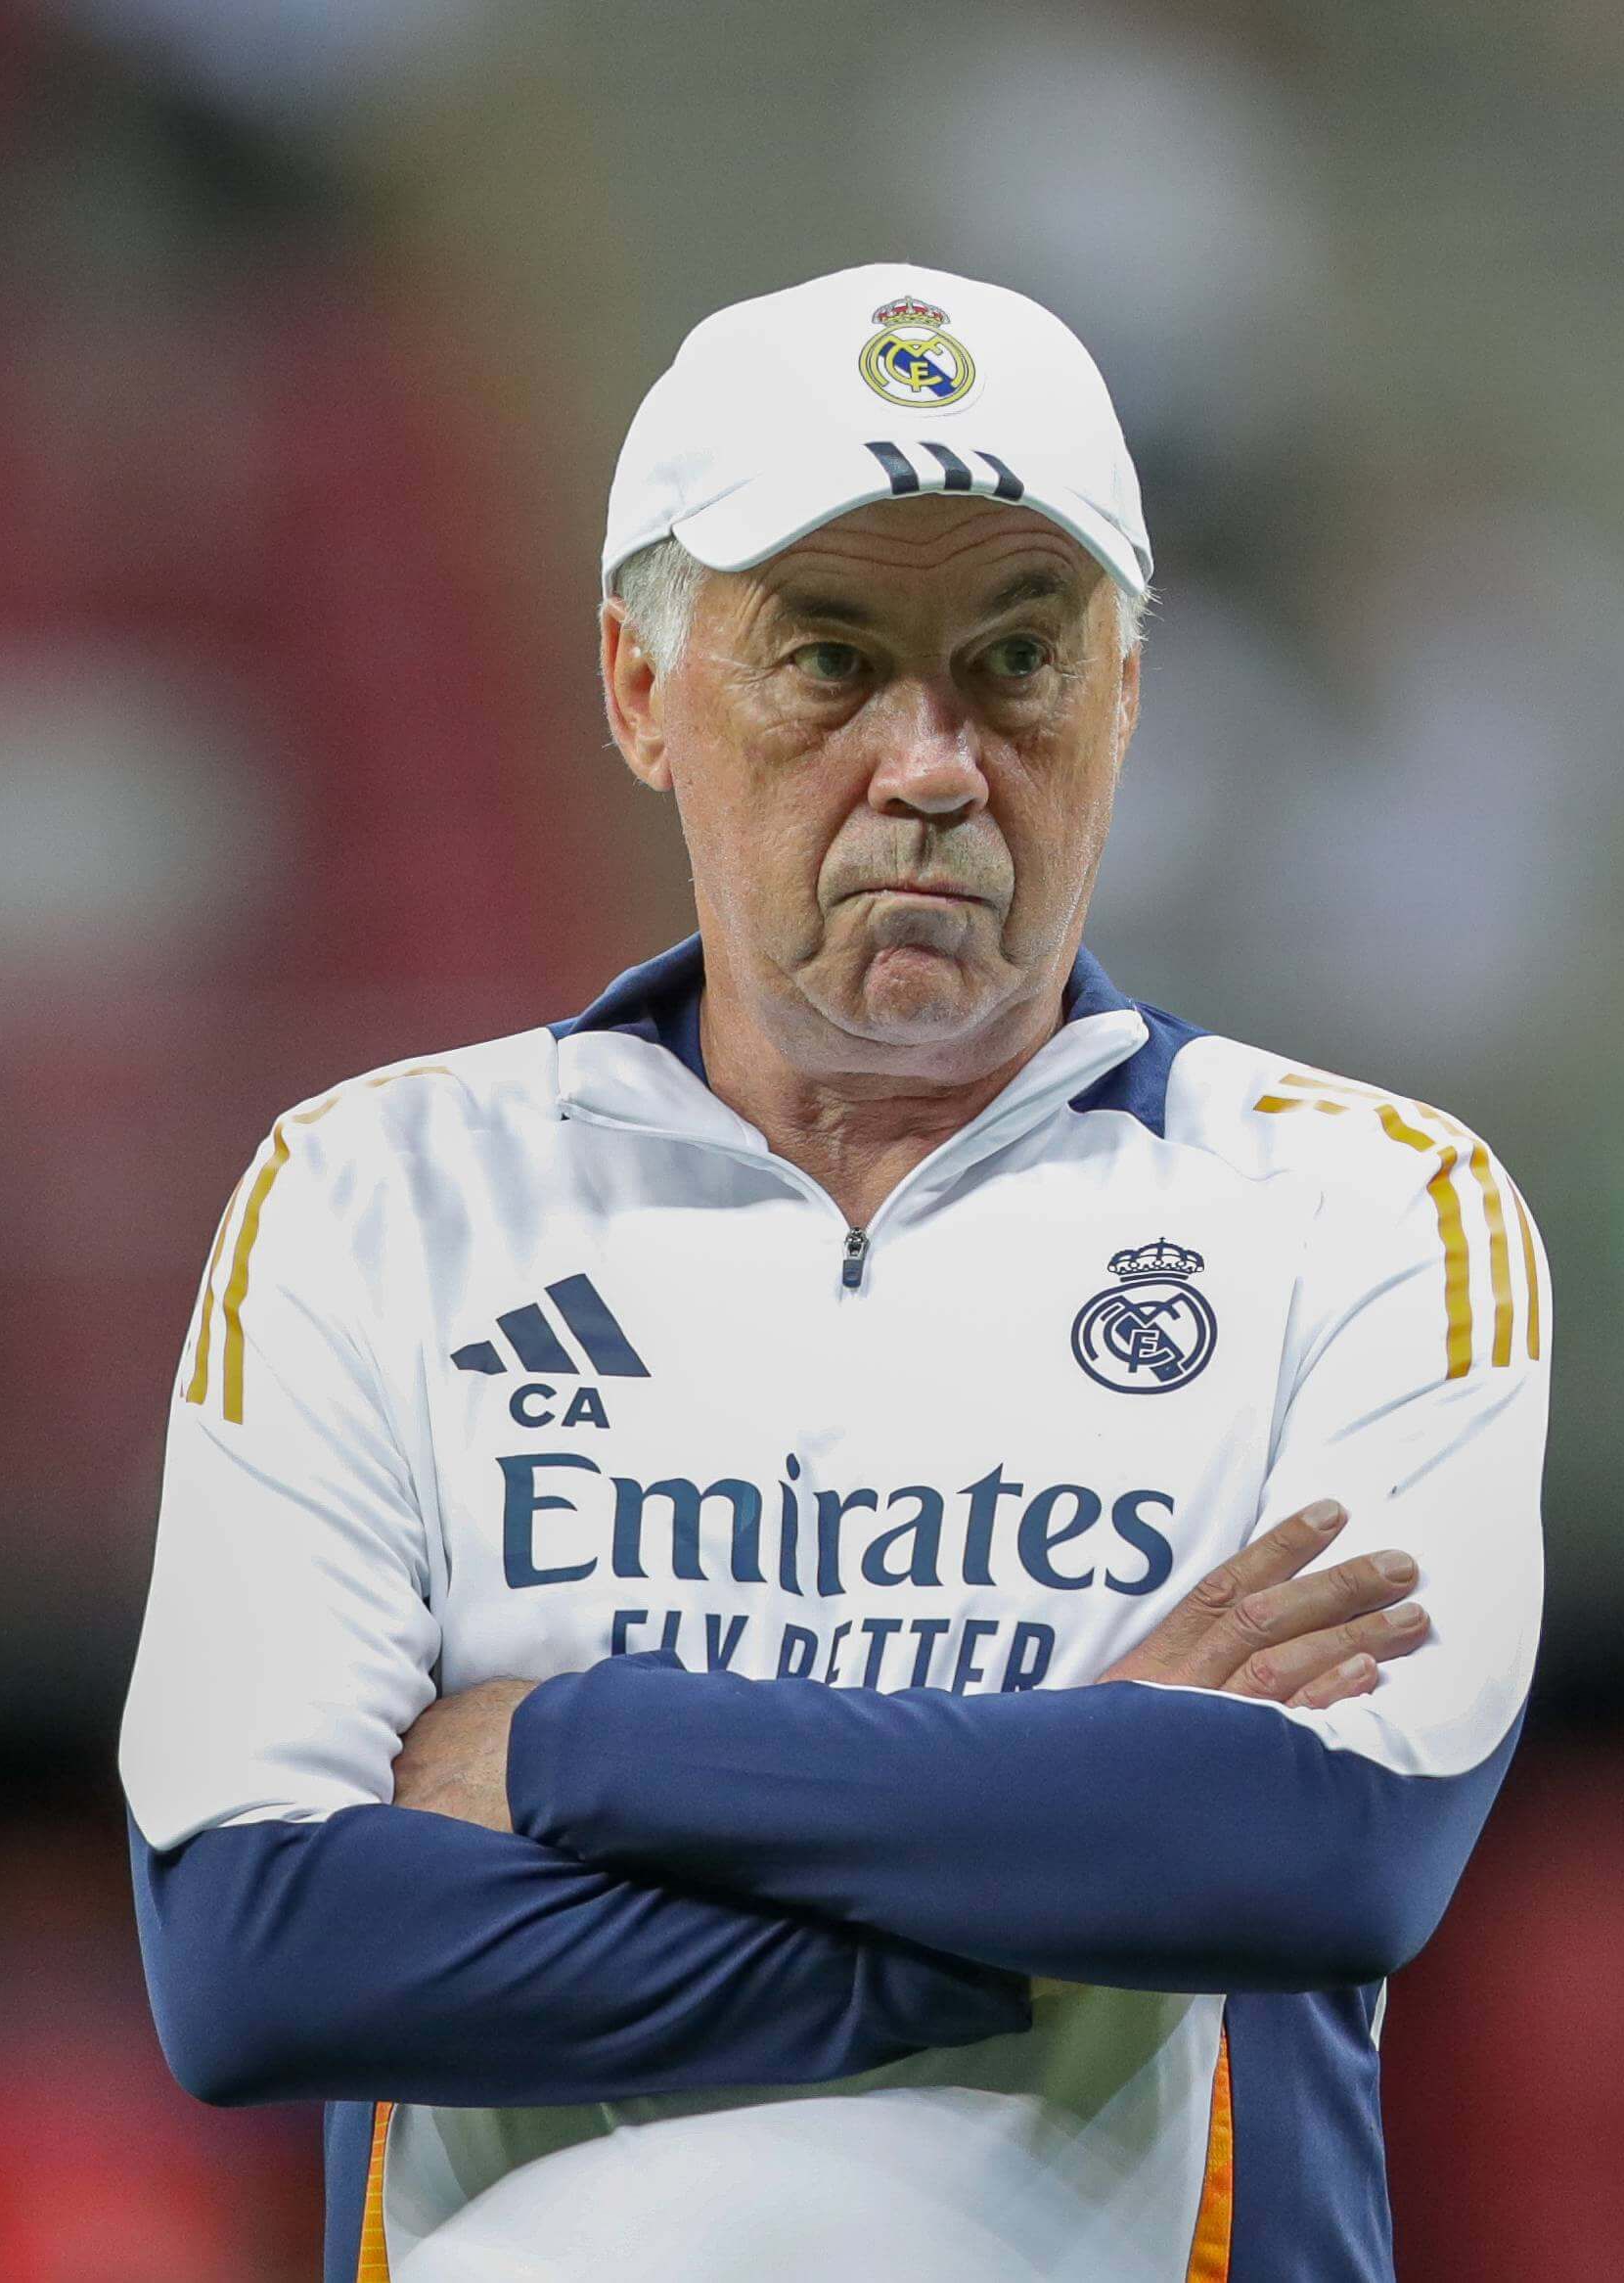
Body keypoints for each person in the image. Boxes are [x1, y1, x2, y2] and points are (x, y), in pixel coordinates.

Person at [116, 263, 1551, 2283]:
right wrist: (1061, 1854)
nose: (935, 761)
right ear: (639, 689)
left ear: (1127, 697)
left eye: (1021, 657)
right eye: (828, 660)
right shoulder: (375, 1193)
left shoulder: (1366, 1206)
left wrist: (560, 1754)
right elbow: (262, 1959)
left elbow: (1312, 1852)